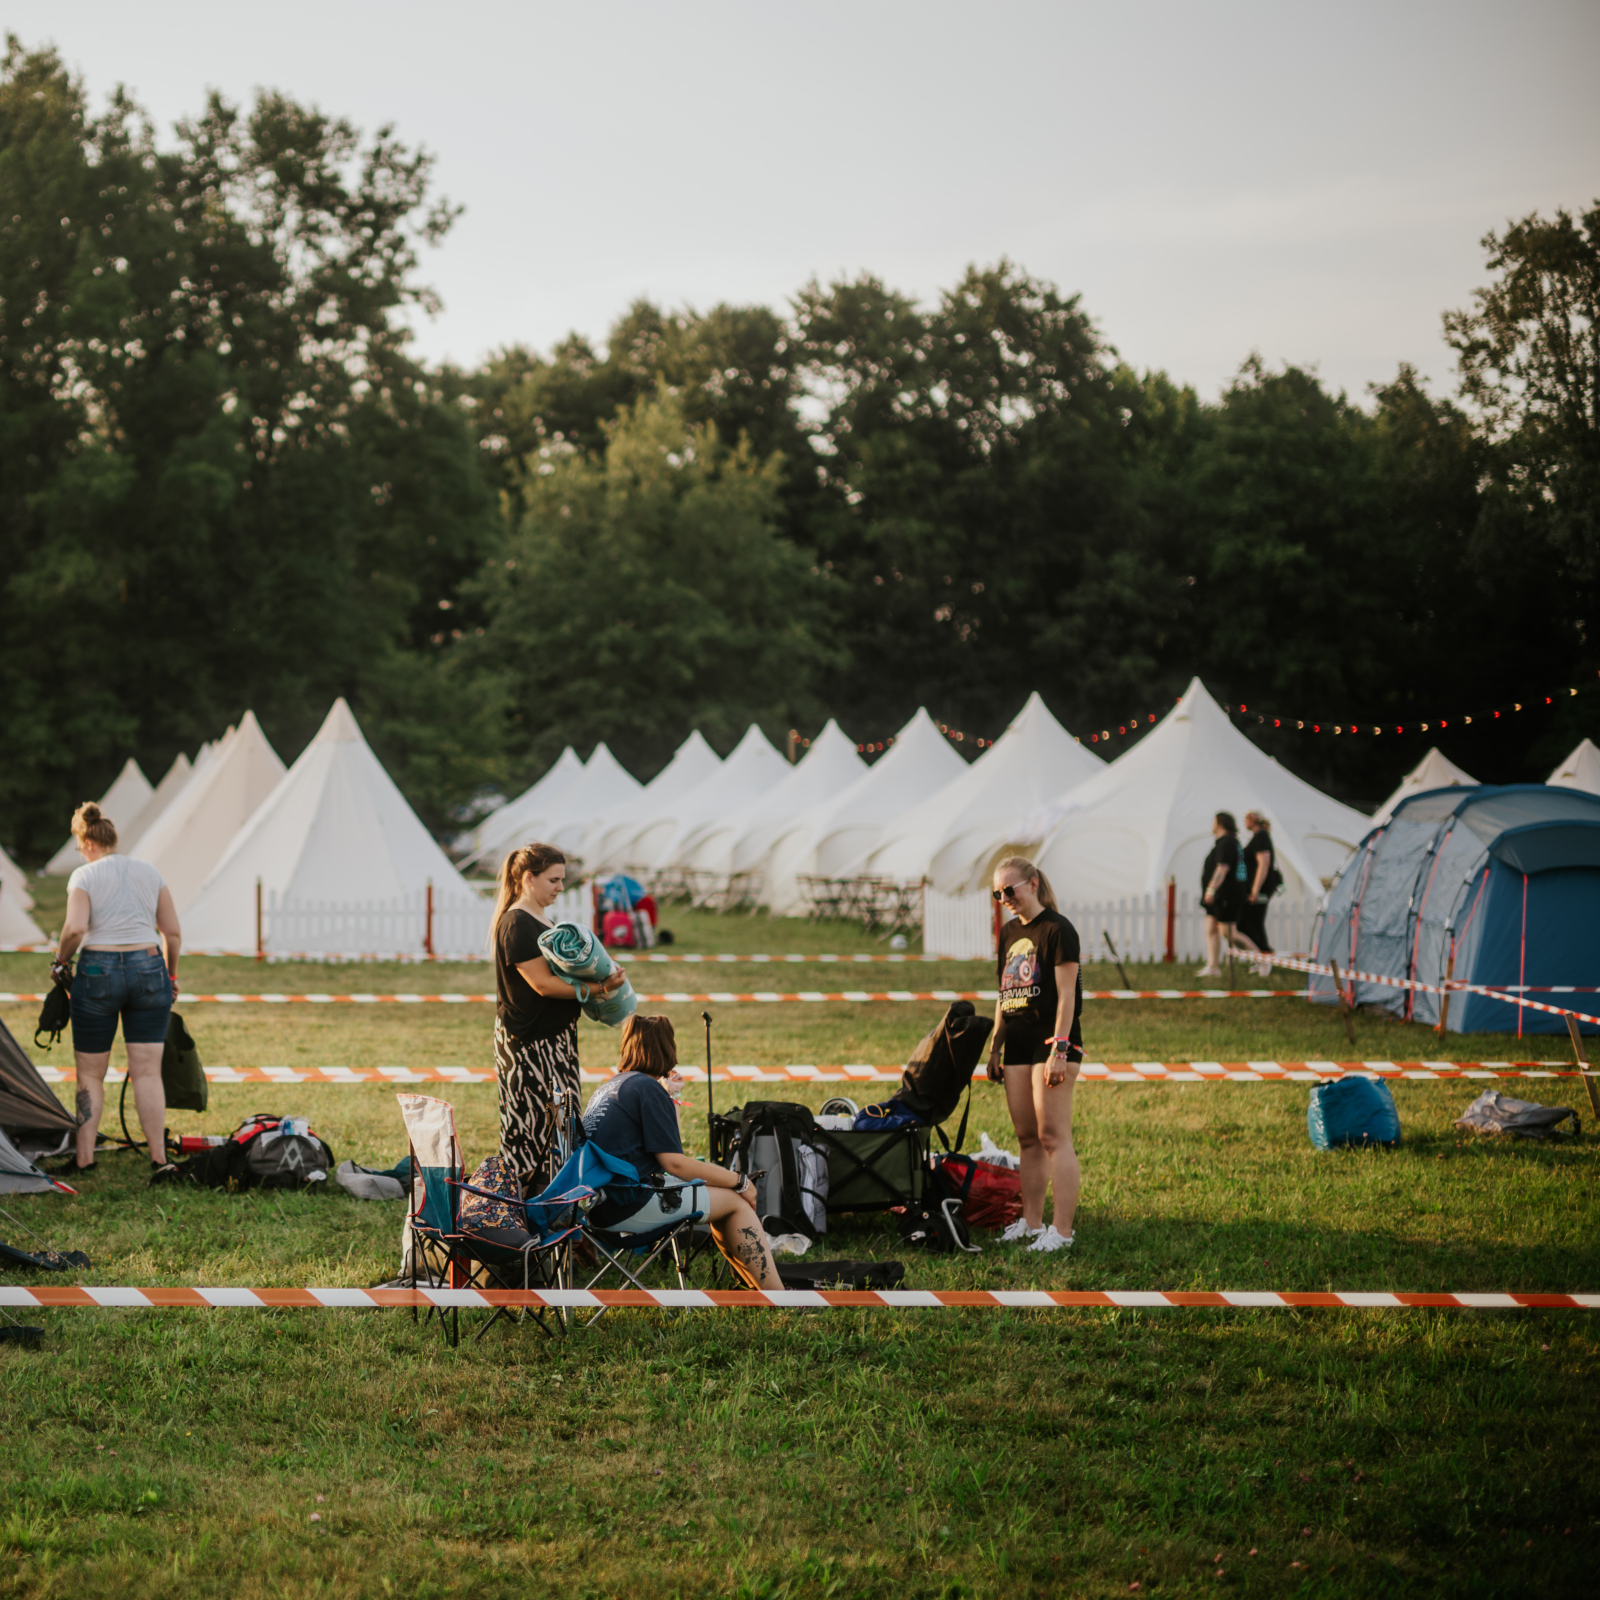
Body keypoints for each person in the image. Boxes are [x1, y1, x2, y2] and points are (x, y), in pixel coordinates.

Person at [581, 1015, 781, 1289]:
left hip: (597, 1210)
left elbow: (669, 1152)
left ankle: (757, 1287)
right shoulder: (647, 1089)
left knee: (724, 1201)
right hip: (629, 1206)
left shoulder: (610, 1087)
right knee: (736, 1201)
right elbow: (675, 1163)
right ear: (667, 1047)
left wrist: (671, 1096)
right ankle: (778, 1297)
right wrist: (740, 1181)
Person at [53, 801, 182, 1179]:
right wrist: (171, 977)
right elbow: (171, 932)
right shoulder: (149, 871)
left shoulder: (84, 876)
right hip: (149, 968)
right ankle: (159, 1159)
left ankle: (84, 1160)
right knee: (147, 1072)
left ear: (86, 843)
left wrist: (61, 962)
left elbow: (75, 929)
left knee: (90, 1074)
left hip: (98, 970)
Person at [492, 843, 628, 1195]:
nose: (560, 887)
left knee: (563, 1128)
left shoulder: (542, 919)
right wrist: (599, 987)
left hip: (556, 1040)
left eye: (561, 880)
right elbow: (543, 985)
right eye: (553, 879)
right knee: (530, 1133)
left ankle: (557, 1208)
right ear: (528, 878)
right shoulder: (516, 923)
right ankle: (523, 1213)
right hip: (529, 1045)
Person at [985, 855, 1082, 1253]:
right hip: (1018, 1046)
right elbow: (1005, 994)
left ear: (1033, 883)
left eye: (1011, 889)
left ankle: (1061, 1232)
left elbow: (1066, 996)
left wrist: (1060, 1049)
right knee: (1027, 1139)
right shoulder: (1008, 933)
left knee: (1052, 1136)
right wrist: (995, 1046)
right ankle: (1030, 1222)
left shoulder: (1060, 930)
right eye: (998, 892)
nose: (1005, 897)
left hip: (1051, 1044)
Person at [1197, 811, 1259, 976]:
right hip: (1218, 897)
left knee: (1228, 932)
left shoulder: (1228, 843)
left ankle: (1260, 959)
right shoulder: (1224, 842)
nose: (1212, 825)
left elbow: (1222, 868)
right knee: (1211, 928)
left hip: (1226, 895)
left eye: (1214, 822)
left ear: (1220, 824)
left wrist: (1211, 890)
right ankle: (1213, 966)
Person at [1238, 812, 1280, 979]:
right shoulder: (1259, 836)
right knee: (1254, 922)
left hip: (1259, 890)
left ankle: (1265, 954)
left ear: (1252, 820)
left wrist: (1255, 890)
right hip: (1257, 889)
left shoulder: (1261, 836)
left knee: (1247, 922)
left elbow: (1264, 863)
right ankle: (1261, 956)